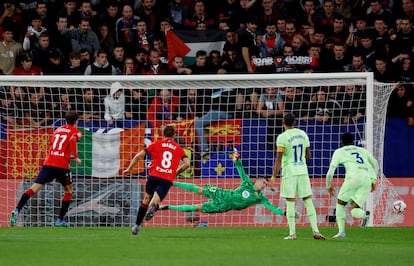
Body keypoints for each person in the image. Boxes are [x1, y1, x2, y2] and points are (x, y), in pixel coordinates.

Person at [160, 148, 288, 218]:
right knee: (198, 189)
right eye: (264, 182)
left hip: (223, 207)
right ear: (258, 180)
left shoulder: (260, 198)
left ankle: (167, 207)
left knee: (197, 207)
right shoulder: (247, 183)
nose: (264, 185)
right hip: (222, 194)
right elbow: (240, 169)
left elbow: (273, 208)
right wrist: (237, 159)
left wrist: (285, 213)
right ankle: (172, 182)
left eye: (265, 185)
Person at [10, 111, 82, 227]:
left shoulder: (57, 130)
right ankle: (60, 220)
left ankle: (17, 209)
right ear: (76, 121)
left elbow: (54, 146)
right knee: (68, 191)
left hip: (48, 164)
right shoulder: (76, 132)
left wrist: (67, 156)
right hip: (61, 167)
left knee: (33, 189)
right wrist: (77, 157)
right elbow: (73, 140)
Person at [123, 125, 191, 235]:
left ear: (163, 134)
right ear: (174, 135)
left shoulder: (156, 144)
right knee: (156, 200)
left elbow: (138, 156)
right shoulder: (178, 148)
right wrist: (176, 172)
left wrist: (129, 168)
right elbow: (188, 163)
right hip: (166, 178)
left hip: (154, 176)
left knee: (146, 199)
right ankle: (153, 207)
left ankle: (136, 226)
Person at [271, 113, 326, 240]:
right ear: (294, 122)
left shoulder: (282, 137)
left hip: (290, 171)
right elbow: (308, 155)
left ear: (283, 123)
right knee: (307, 200)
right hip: (302, 170)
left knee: (290, 202)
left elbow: (278, 159)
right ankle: (316, 231)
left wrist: (273, 177)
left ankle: (292, 233)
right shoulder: (303, 134)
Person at [326, 132, 378, 238]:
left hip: (353, 178)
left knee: (340, 204)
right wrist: (373, 180)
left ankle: (341, 232)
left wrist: (328, 186)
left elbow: (331, 171)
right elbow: (375, 163)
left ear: (342, 143)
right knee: (354, 208)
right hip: (366, 179)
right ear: (353, 142)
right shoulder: (362, 150)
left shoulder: (339, 151)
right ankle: (364, 215)